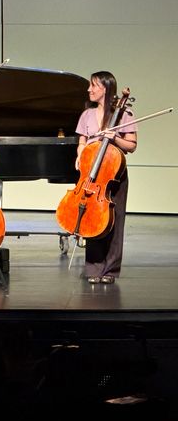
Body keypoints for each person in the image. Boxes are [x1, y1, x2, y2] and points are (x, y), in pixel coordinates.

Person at [74, 71, 137, 284]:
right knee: (91, 219)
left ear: (106, 88)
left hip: (114, 175)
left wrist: (115, 139)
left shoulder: (123, 114)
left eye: (93, 86)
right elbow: (82, 141)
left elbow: (132, 146)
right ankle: (93, 268)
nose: (89, 89)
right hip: (92, 174)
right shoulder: (87, 115)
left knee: (114, 221)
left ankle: (110, 270)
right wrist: (80, 154)